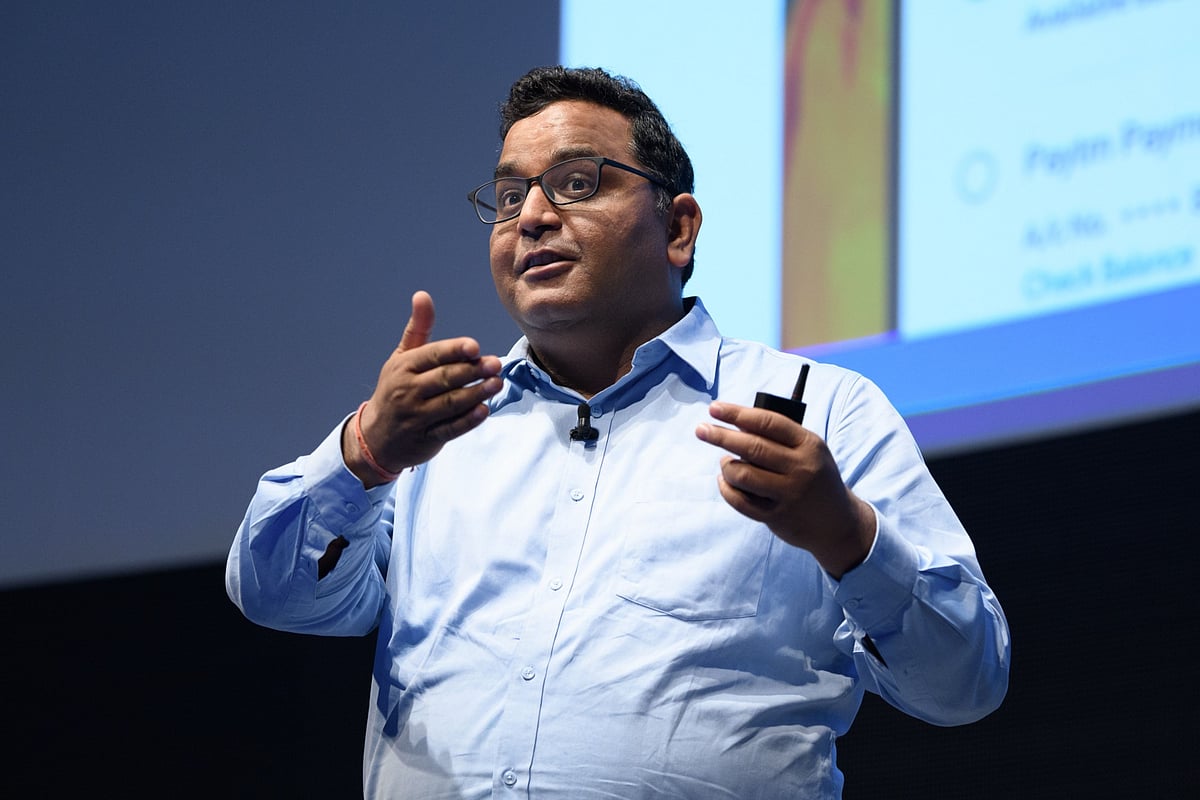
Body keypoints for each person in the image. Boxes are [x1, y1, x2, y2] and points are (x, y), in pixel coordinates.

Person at [227, 65, 1010, 799]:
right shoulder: (436, 430)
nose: (532, 217)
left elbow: (964, 682)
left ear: (679, 228)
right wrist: (364, 453)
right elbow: (277, 598)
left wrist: (844, 535)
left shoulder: (823, 409)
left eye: (576, 183)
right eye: (509, 196)